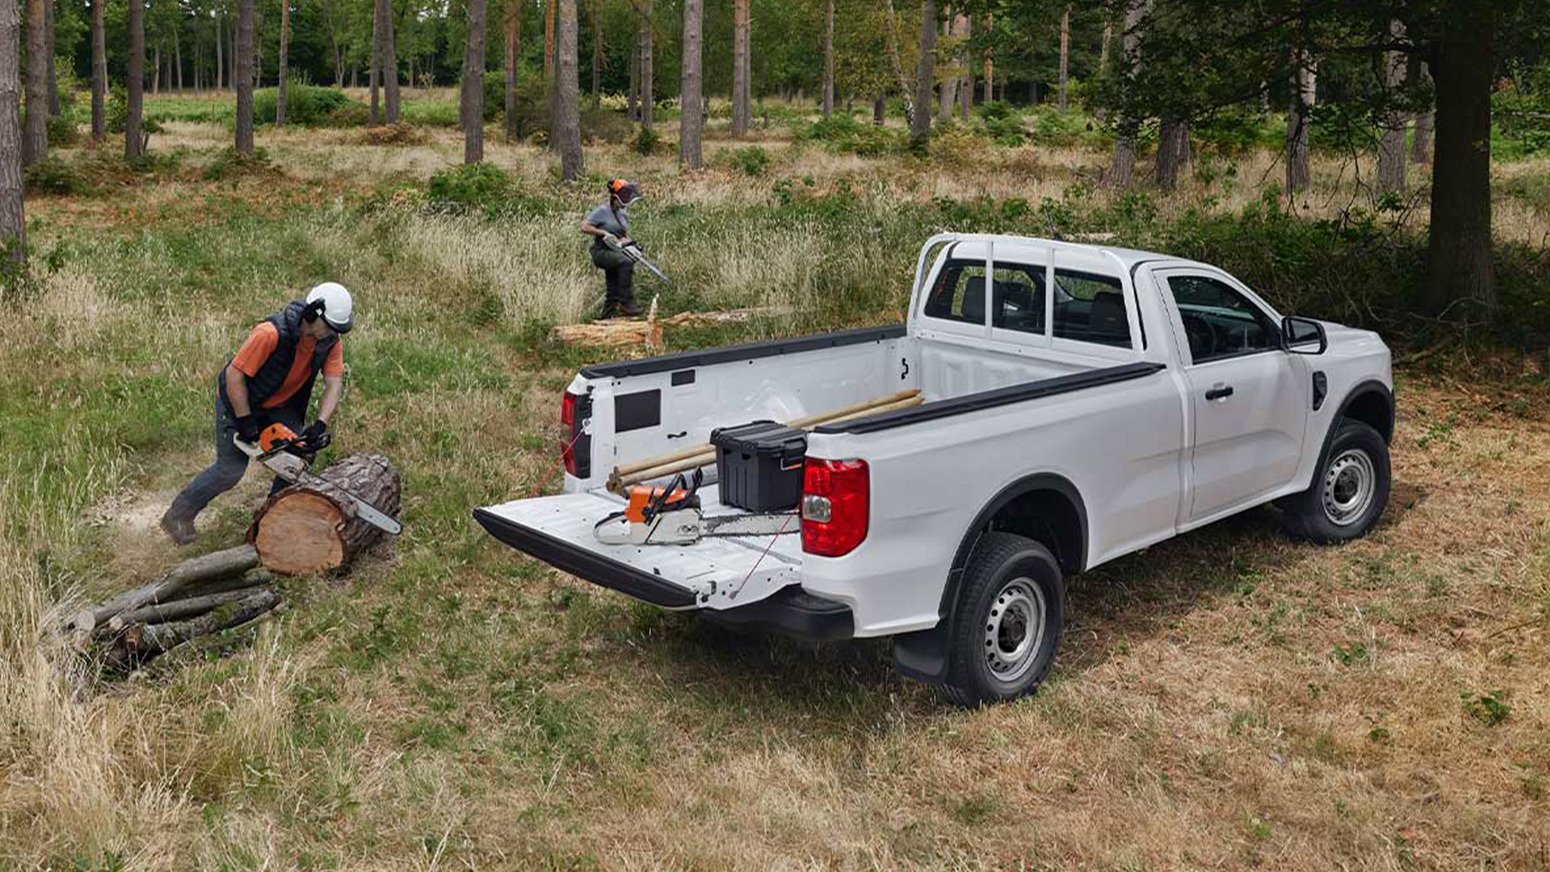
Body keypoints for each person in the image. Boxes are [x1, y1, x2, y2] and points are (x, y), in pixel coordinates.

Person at [160, 283, 355, 546]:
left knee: (298, 456)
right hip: (240, 403)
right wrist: (246, 420)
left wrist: (320, 424)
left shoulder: (328, 343)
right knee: (230, 470)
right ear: (312, 313)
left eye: (337, 330)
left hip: (281, 406)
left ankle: (270, 522)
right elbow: (234, 375)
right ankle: (178, 515)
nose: (333, 335)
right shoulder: (271, 334)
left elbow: (333, 383)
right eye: (330, 327)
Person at [581, 178, 644, 318]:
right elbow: (584, 227)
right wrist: (603, 233)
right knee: (625, 262)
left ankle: (605, 319)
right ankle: (626, 303)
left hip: (615, 251)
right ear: (616, 196)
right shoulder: (603, 211)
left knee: (613, 291)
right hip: (601, 251)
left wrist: (631, 244)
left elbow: (623, 235)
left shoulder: (623, 215)